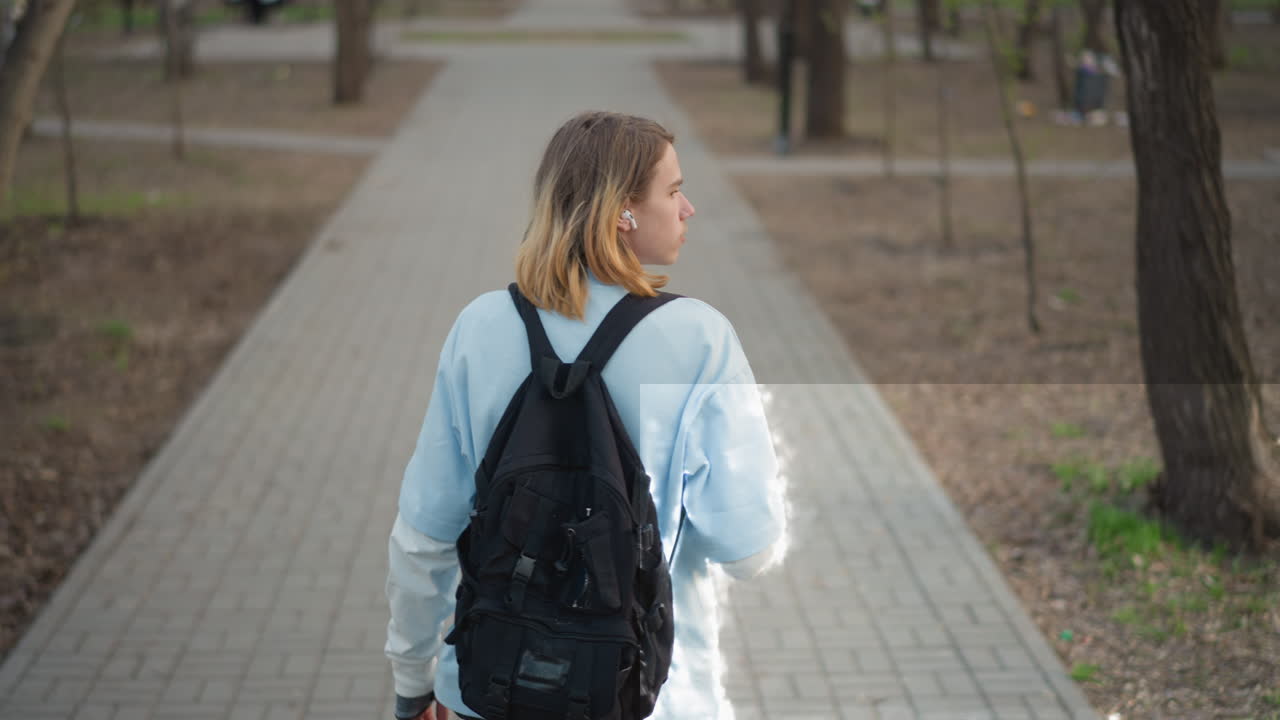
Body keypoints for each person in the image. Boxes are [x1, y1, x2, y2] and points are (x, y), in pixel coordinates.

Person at [385, 111, 786, 720]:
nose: (689, 209)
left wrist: (413, 683)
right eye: (673, 191)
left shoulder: (481, 327)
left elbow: (424, 537)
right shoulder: (701, 338)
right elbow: (747, 549)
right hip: (652, 695)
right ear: (622, 211)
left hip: (493, 687)